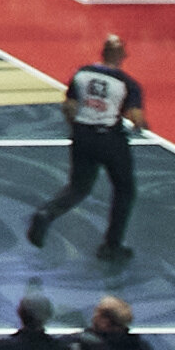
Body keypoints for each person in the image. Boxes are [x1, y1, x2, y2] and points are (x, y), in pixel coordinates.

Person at [27, 35, 145, 259]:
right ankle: (112, 245)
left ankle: (46, 213)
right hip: (110, 139)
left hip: (82, 135)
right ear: (121, 56)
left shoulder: (82, 73)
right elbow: (137, 119)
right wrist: (140, 124)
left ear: (103, 52)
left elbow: (69, 106)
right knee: (125, 190)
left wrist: (79, 128)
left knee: (78, 188)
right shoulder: (127, 84)